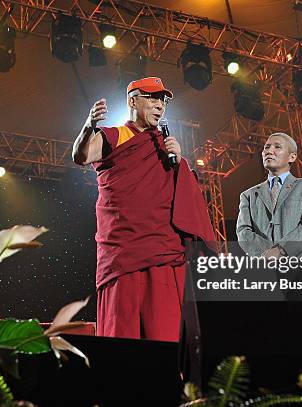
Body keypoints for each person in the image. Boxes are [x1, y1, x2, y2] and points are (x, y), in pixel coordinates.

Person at [72, 77, 214, 342]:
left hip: (163, 252)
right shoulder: (116, 135)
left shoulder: (166, 146)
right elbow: (80, 156)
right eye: (152, 98)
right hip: (124, 252)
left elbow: (186, 198)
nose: (159, 105)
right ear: (132, 100)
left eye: (163, 100)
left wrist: (180, 163)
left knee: (166, 334)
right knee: (124, 333)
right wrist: (88, 126)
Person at [236, 132, 302, 258]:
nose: (269, 151)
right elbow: (243, 232)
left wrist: (281, 249)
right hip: (264, 264)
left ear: (292, 157)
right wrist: (267, 253)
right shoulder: (248, 195)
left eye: (277, 147)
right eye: (266, 147)